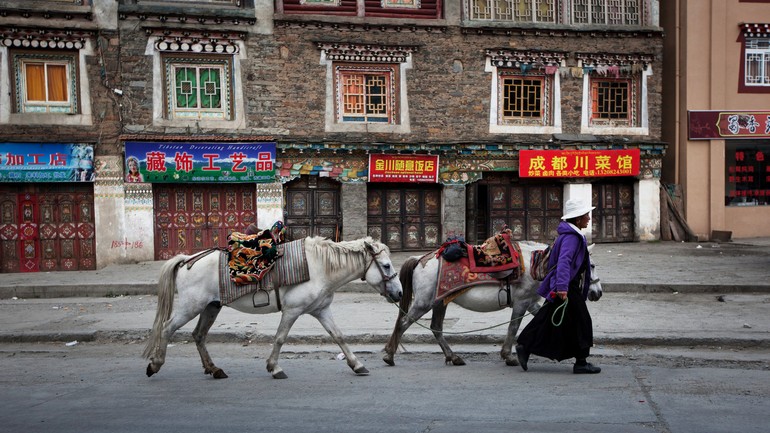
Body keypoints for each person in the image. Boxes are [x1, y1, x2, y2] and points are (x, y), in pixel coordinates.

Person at [515, 198, 601, 374]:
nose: (589, 218)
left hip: (565, 284)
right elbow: (564, 262)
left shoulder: (571, 235)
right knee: (583, 322)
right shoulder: (572, 238)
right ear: (577, 219)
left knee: (546, 318)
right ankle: (581, 362)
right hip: (567, 285)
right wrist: (562, 287)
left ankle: (524, 345)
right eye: (586, 215)